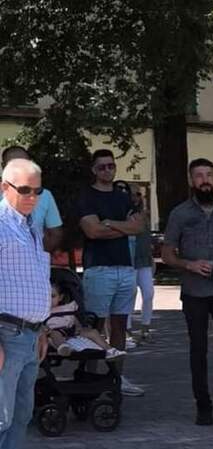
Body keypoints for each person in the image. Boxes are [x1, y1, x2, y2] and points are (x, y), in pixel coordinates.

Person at [162, 159, 213, 426]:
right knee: (198, 349)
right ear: (191, 181)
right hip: (195, 291)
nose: (205, 180)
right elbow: (167, 254)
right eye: (199, 176)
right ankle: (204, 405)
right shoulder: (180, 214)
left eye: (209, 174)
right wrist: (190, 264)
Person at [0, 156, 52, 449]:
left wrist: (43, 328)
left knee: (20, 415)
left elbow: (34, 281)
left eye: (37, 190)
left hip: (30, 334)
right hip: (6, 332)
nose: (32, 197)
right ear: (5, 188)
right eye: (24, 190)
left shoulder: (29, 225)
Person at [75, 149, 143, 397]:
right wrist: (124, 228)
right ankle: (89, 377)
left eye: (111, 166)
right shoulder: (86, 197)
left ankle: (117, 378)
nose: (107, 170)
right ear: (94, 170)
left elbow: (139, 227)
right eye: (102, 167)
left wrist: (109, 223)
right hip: (99, 268)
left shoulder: (123, 196)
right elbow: (92, 232)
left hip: (125, 268)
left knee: (119, 326)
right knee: (95, 324)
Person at [2, 145, 63, 254]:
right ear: (3, 166)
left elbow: (56, 233)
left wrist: (36, 254)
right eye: (14, 165)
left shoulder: (45, 195)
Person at [45, 279, 120, 357]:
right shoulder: (43, 310)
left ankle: (109, 349)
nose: (49, 299)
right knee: (55, 334)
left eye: (53, 296)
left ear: (60, 297)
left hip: (71, 330)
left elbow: (73, 317)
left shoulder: (68, 307)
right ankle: (63, 347)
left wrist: (79, 326)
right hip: (54, 331)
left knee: (93, 332)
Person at [128, 186, 156, 341]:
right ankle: (127, 328)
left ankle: (146, 326)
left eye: (138, 194)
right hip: (129, 261)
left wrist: (151, 258)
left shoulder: (144, 215)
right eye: (133, 195)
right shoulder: (124, 214)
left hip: (144, 260)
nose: (136, 198)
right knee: (129, 294)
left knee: (149, 293)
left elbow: (146, 239)